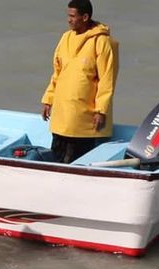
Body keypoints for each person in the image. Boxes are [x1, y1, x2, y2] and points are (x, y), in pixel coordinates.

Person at [41, 0, 119, 163]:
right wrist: (48, 100)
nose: (69, 20)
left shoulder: (101, 41)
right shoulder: (65, 38)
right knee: (57, 155)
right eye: (68, 16)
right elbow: (57, 72)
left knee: (76, 159)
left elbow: (107, 78)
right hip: (62, 112)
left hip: (84, 116)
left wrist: (101, 110)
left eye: (72, 16)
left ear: (85, 17)